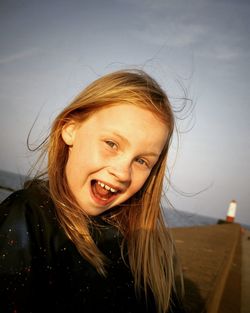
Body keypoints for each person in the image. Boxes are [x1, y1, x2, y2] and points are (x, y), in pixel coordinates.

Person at [0, 69, 185, 313]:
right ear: (70, 129)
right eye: (111, 144)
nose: (123, 173)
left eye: (141, 161)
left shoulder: (146, 246)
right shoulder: (28, 217)